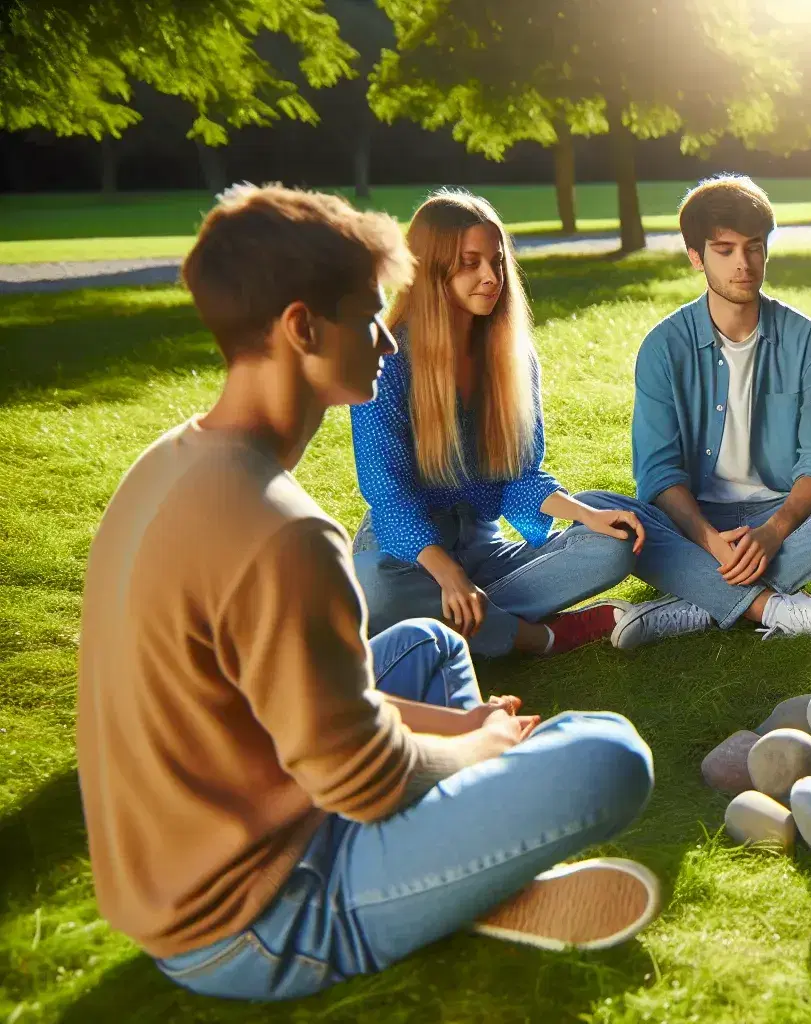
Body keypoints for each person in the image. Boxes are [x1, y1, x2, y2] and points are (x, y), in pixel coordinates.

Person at [77, 185, 660, 1002]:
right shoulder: (283, 531)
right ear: (302, 329)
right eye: (369, 315)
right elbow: (365, 779)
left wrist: (462, 721)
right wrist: (481, 749)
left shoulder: (173, 461)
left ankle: (454, 875)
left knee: (428, 646)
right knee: (610, 754)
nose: (388, 339)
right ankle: (456, 880)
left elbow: (287, 711)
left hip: (187, 866)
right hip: (259, 918)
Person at [598, 174, 811, 648]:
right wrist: (708, 540)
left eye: (754, 247)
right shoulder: (663, 348)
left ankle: (698, 601)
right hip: (694, 519)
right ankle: (775, 607)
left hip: (782, 514)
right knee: (606, 512)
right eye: (724, 250)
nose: (743, 264)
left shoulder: (805, 339)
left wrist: (773, 532)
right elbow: (659, 473)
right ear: (695, 256)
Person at [351, 190, 644, 658]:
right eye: (470, 263)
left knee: (616, 544)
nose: (492, 278)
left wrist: (587, 516)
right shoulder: (388, 361)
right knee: (376, 593)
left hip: (485, 549)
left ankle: (459, 620)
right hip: (406, 557)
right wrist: (447, 574)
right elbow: (387, 494)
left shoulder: (512, 357)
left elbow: (520, 477)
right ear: (431, 268)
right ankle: (538, 635)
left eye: (497, 261)